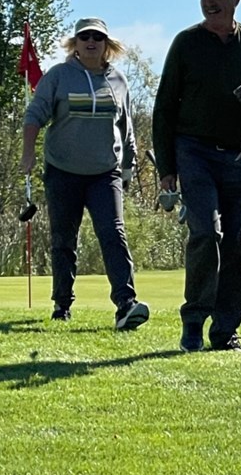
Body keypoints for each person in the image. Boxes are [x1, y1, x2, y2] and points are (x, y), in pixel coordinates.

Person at [152, 0, 241, 352]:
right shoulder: (186, 44)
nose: (209, 1)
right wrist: (166, 169)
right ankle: (193, 322)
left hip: (239, 157)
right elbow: (164, 109)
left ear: (236, 0)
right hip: (193, 151)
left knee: (234, 249)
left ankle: (225, 331)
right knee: (206, 234)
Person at [21, 17, 150, 330]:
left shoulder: (118, 80)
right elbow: (35, 114)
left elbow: (126, 127)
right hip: (63, 171)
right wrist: (28, 153)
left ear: (107, 45)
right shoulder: (59, 76)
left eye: (97, 37)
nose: (91, 42)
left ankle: (126, 304)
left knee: (113, 234)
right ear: (75, 44)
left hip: (105, 173)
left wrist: (129, 168)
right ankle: (62, 304)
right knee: (64, 239)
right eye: (85, 37)